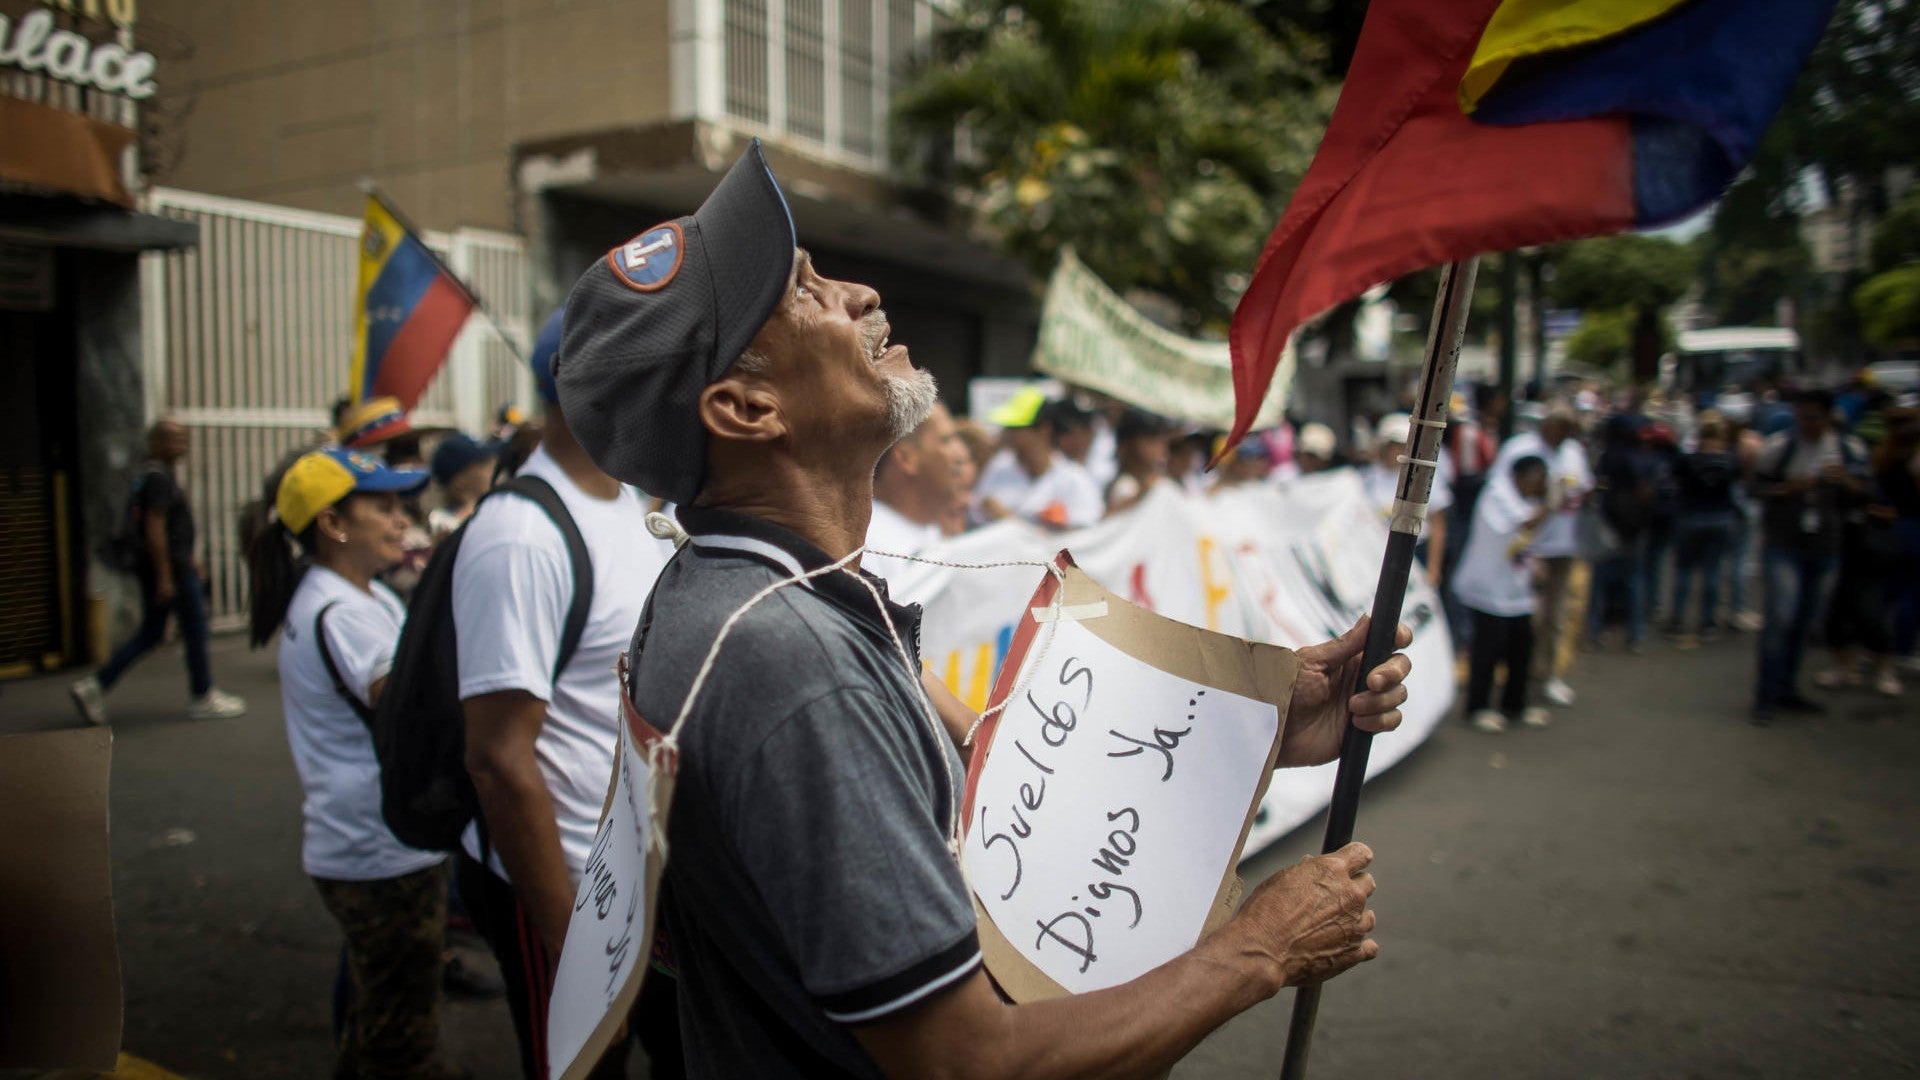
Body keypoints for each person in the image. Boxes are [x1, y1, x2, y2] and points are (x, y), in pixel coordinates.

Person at [553, 142, 1414, 1080]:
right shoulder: (791, 661)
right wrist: (1262, 949)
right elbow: (965, 1066)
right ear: (747, 409)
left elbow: (997, 777)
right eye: (804, 292)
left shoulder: (741, 591)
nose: (859, 292)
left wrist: (1257, 730)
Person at [451, 309, 674, 1080]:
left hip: (642, 876)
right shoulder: (521, 534)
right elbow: (499, 760)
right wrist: (569, 949)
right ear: (593, 384)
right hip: (568, 886)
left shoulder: (634, 505)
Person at [246, 447, 461, 1080]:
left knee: (380, 1006)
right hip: (379, 849)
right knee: (398, 1035)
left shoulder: (352, 596)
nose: (403, 521)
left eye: (402, 506)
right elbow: (412, 713)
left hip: (364, 840)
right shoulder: (344, 614)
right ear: (333, 525)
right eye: (385, 507)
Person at [70, 419, 247, 725]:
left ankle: (95, 686)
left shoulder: (149, 475)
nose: (182, 445)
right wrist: (166, 575)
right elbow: (155, 529)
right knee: (195, 629)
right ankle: (202, 695)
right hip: (170, 572)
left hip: (171, 567)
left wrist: (188, 559)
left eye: (183, 439)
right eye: (174, 439)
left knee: (153, 632)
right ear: (156, 441)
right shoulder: (158, 479)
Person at [1751, 389, 1870, 723]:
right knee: (1781, 618)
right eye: (1800, 416)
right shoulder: (1780, 447)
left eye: (1812, 416)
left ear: (1828, 416)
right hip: (1783, 545)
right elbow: (1754, 487)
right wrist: (1785, 489)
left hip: (1826, 545)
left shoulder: (1848, 449)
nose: (1806, 423)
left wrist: (1845, 481)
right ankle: (1766, 695)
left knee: (1805, 622)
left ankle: (1787, 688)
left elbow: (1866, 492)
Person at [1491, 408, 1591, 707]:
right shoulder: (1519, 448)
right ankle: (1516, 678)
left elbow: (1583, 487)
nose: (1564, 435)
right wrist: (1544, 501)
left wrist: (1568, 494)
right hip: (1526, 549)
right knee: (1528, 617)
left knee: (1557, 615)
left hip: (1563, 545)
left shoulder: (1573, 451)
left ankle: (1547, 675)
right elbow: (1501, 492)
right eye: (1561, 428)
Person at [1452, 455, 1553, 733]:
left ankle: (1515, 704)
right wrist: (1553, 502)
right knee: (1488, 649)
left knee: (1521, 646)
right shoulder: (1497, 495)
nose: (1541, 486)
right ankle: (1477, 707)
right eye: (1539, 480)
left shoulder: (1527, 498)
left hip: (1516, 589)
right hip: (1488, 589)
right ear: (1524, 477)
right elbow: (1523, 526)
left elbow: (1522, 543)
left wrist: (1534, 564)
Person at [973, 390, 1104, 528]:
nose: (1008, 435)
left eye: (1016, 428)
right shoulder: (998, 469)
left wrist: (1006, 518)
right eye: (1007, 428)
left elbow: (1084, 536)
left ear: (1043, 430)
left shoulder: (1075, 480)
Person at [865, 401, 965, 580]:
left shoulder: (929, 528)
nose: (961, 454)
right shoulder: (868, 548)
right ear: (906, 458)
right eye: (946, 440)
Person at [1665, 412, 1741, 643]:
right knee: (1712, 571)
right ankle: (1707, 622)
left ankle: (1677, 619)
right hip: (1720, 517)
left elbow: (1673, 478)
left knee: (1684, 570)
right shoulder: (1730, 459)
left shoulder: (1689, 459)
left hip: (1691, 517)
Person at [1363, 413, 1452, 585]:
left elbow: (1438, 524)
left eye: (1405, 445)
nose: (1400, 450)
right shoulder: (1367, 478)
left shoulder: (1425, 477)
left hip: (1415, 552)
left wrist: (1433, 569)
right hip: (1376, 552)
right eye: (1395, 445)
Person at [427, 434, 501, 541]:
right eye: (482, 463)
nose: (492, 467)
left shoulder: (496, 507)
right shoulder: (441, 520)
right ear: (459, 478)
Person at [1103, 407, 1173, 515]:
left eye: (1162, 441)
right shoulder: (1124, 485)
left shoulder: (1159, 481)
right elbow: (1109, 521)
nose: (1160, 449)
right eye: (1151, 441)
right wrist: (1144, 494)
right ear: (1128, 444)